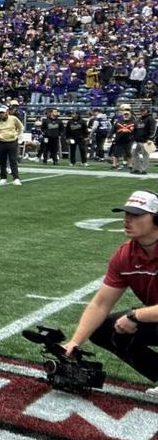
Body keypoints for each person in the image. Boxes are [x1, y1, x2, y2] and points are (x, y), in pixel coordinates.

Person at [62, 190, 158, 392]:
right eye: (126, 214)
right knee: (104, 329)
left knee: (130, 320)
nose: (127, 220)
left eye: (136, 215)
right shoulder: (125, 254)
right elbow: (100, 303)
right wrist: (74, 342)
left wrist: (136, 315)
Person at [0, 105, 23, 185]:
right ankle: (3, 178)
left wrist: (17, 135)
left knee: (13, 160)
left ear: (6, 112)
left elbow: (20, 127)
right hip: (0, 143)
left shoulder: (13, 119)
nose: (1, 114)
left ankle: (16, 178)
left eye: (2, 113)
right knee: (2, 161)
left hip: (12, 142)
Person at [130, 106, 154, 176]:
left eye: (143, 110)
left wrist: (150, 139)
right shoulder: (139, 119)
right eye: (141, 111)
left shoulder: (150, 119)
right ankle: (137, 169)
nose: (142, 112)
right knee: (134, 153)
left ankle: (143, 170)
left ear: (147, 111)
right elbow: (136, 129)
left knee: (145, 155)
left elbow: (153, 130)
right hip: (138, 141)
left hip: (147, 141)